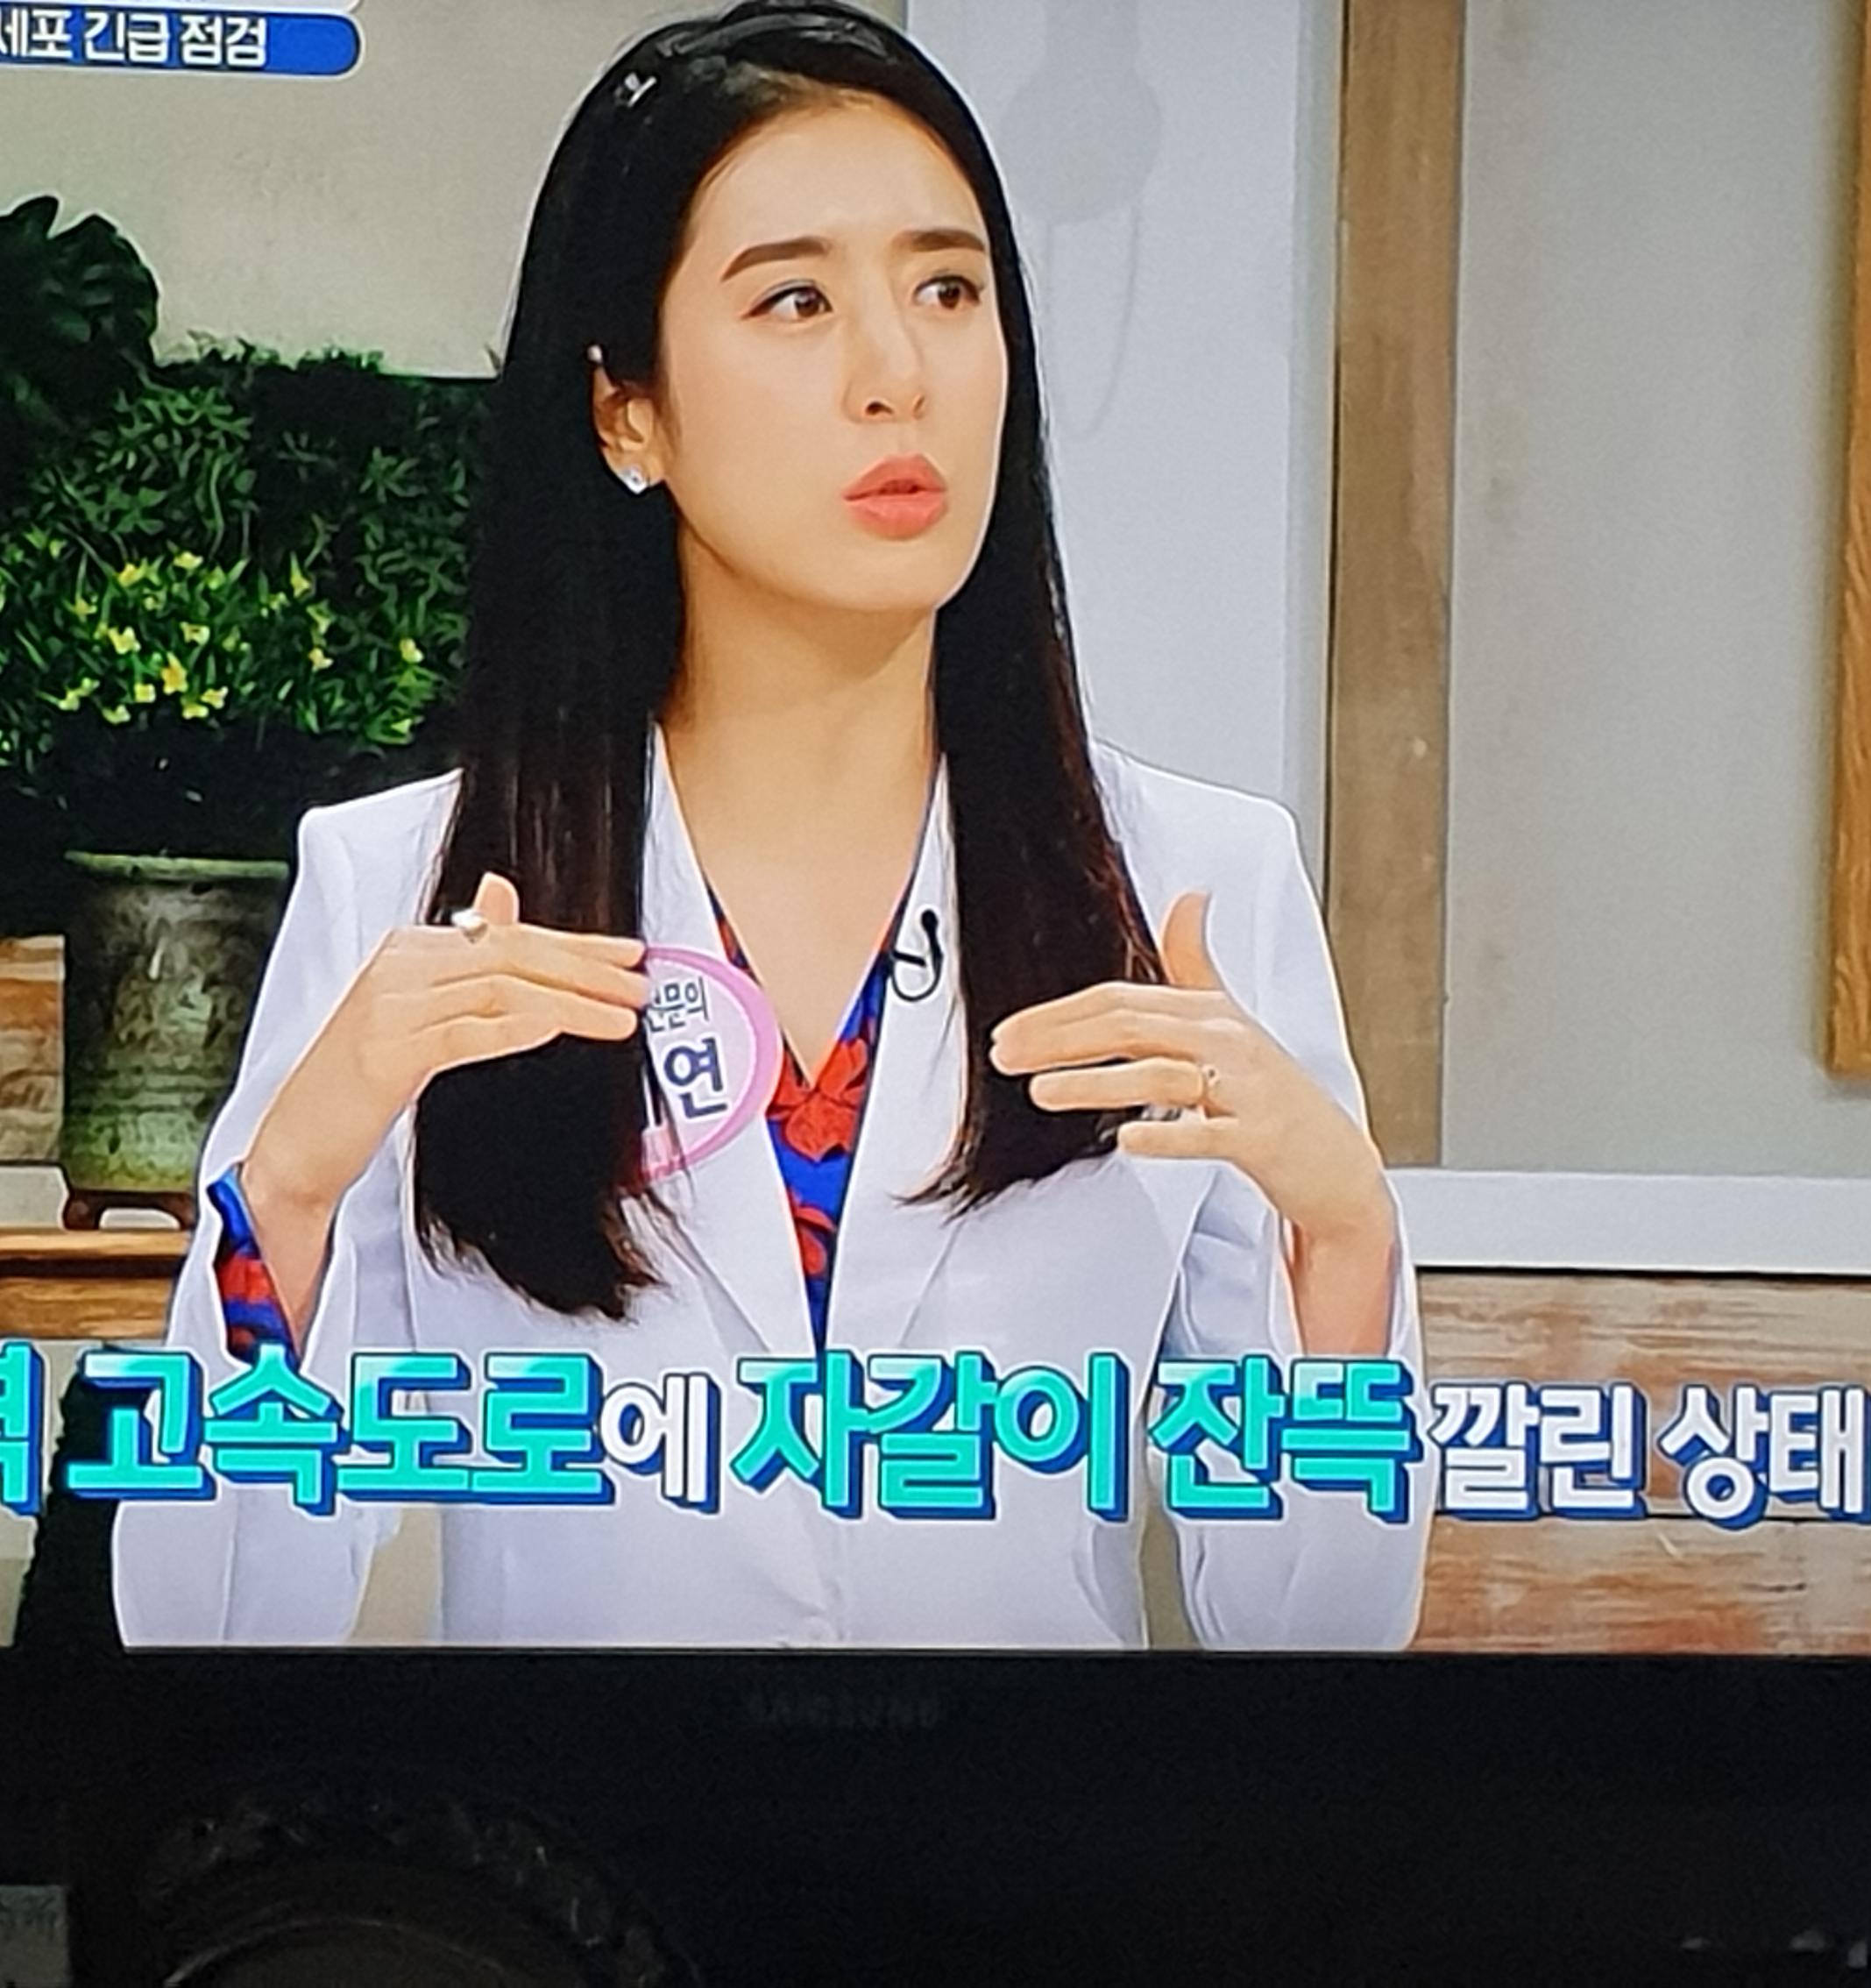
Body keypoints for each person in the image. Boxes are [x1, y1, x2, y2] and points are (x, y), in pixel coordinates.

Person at [110, 0, 1428, 1650]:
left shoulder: (1195, 887)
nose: (900, 376)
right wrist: (289, 1196)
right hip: (566, 1823)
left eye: (948, 290)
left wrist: (1345, 1241)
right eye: (797, 300)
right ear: (627, 412)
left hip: (1016, 1822)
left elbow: (1316, 1645)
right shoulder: (403, 889)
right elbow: (214, 1628)